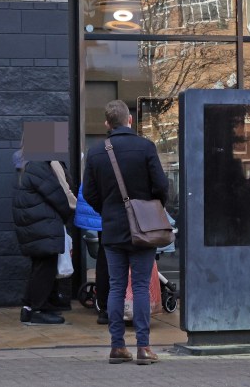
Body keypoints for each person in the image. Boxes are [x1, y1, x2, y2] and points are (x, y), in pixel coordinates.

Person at [83, 99, 169, 365]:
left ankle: (117, 346)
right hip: (143, 229)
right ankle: (143, 347)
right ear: (130, 120)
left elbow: (89, 193)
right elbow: (162, 186)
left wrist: (108, 211)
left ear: (107, 124)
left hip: (112, 229)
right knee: (141, 286)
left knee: (116, 287)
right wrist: (150, 209)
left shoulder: (96, 152)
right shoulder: (145, 147)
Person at [12, 150, 74, 325]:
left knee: (39, 267)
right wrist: (67, 214)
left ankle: (29, 308)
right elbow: (57, 195)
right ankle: (37, 310)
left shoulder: (27, 165)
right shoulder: (39, 166)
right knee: (45, 268)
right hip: (44, 225)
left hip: (34, 226)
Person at [75, 183, 109, 325]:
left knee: (105, 257)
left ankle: (104, 308)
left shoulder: (95, 159)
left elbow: (89, 190)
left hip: (105, 214)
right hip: (124, 214)